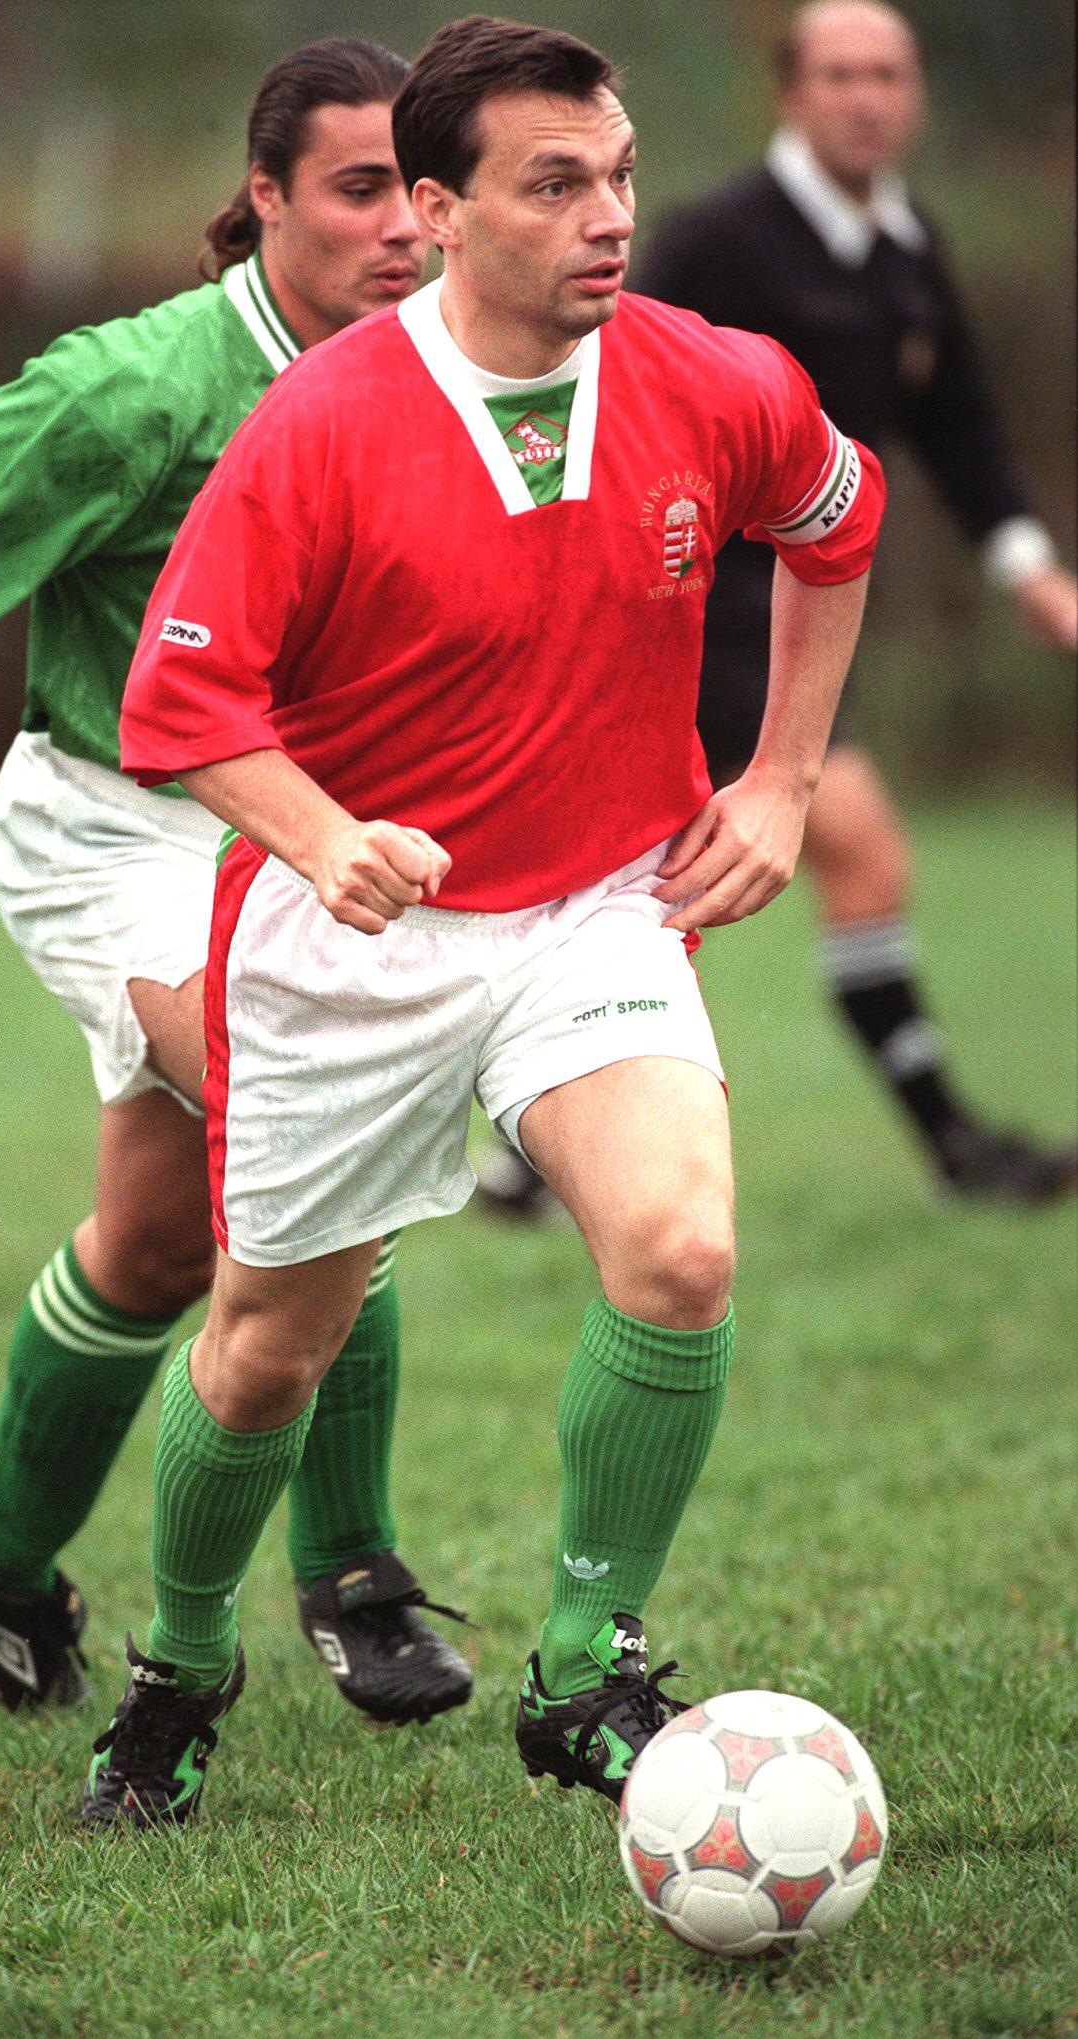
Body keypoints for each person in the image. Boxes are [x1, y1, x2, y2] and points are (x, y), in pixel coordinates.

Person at [80, 15, 885, 1831]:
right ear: (438, 212)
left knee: (679, 1250)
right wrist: (322, 832)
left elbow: (839, 517)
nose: (607, 217)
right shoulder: (324, 424)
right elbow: (179, 702)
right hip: (341, 942)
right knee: (268, 1344)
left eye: (618, 177)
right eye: (554, 185)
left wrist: (775, 780)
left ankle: (583, 1659)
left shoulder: (710, 374)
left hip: (598, 902)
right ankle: (179, 1660)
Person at [0, 38, 473, 1729]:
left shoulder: (457, 376)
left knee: (159, 1234)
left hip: (299, 821)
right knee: (310, 1106)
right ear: (264, 196)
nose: (399, 232)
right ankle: (355, 1568)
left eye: (418, 193)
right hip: (115, 826)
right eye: (353, 191)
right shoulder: (133, 387)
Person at [479, 0, 1075, 1222]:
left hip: (808, 600)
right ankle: (952, 1142)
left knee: (658, 869)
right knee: (843, 847)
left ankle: (526, 1158)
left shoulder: (906, 249)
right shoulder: (713, 239)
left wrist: (1029, 570)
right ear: (790, 95)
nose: (867, 96)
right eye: (841, 73)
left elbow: (958, 426)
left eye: (888, 74)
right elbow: (586, 367)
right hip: (686, 592)